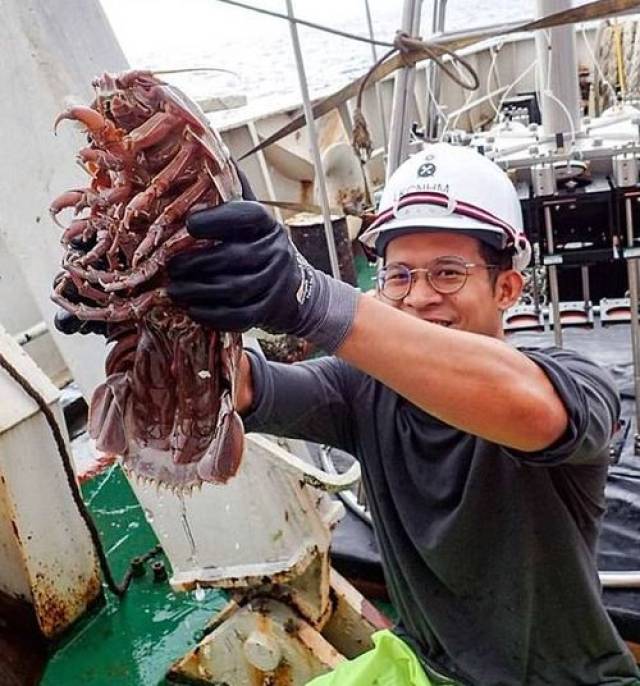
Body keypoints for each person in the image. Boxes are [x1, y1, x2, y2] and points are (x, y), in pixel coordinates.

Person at [59, 143, 640, 685]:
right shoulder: (362, 389)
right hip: (422, 666)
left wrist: (307, 298)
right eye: (399, 275)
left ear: (508, 288)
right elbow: (238, 389)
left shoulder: (575, 383)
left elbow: (533, 411)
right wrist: (152, 304)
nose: (417, 296)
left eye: (447, 273)